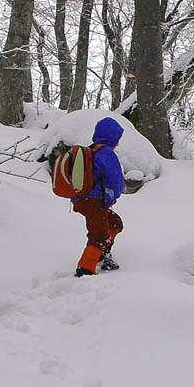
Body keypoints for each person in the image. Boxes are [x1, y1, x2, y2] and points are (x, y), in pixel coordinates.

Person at [72, 117, 126, 277]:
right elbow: (116, 180)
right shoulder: (106, 153)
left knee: (114, 223)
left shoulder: (91, 150)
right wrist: (114, 196)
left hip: (81, 200)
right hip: (93, 201)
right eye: (118, 138)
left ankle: (102, 255)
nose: (118, 143)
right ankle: (85, 269)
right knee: (99, 234)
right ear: (113, 137)